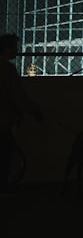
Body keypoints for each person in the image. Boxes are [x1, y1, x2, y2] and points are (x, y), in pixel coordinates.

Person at [0, 34, 43, 196]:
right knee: (4, 155)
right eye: (14, 47)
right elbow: (18, 96)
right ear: (6, 49)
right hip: (4, 120)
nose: (17, 51)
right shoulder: (7, 69)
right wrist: (35, 111)